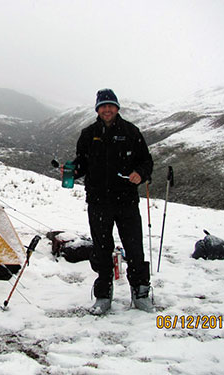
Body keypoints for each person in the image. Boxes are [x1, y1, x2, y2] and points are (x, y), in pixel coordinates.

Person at [73, 88, 154, 314]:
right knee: (101, 249)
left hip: (126, 201)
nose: (107, 109)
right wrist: (71, 170)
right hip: (98, 202)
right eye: (103, 106)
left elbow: (146, 161)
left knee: (134, 247)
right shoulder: (88, 133)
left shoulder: (131, 131)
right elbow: (82, 163)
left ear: (117, 108)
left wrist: (140, 173)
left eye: (111, 105)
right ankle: (103, 294)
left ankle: (140, 291)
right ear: (97, 109)